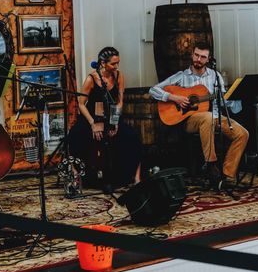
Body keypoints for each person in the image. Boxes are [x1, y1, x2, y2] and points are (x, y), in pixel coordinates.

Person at [149, 43, 247, 190]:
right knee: (206, 117)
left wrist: (235, 99)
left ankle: (226, 175)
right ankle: (211, 165)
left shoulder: (215, 76)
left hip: (215, 117)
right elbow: (153, 90)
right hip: (190, 121)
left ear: (208, 59)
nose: (198, 59)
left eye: (203, 57)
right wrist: (174, 98)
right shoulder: (181, 76)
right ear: (192, 55)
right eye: (196, 55)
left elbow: (225, 101)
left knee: (242, 134)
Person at [67, 47, 142, 187]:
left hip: (110, 116)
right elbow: (81, 104)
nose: (116, 66)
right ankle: (77, 175)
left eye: (118, 63)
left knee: (132, 137)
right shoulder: (91, 79)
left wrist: (115, 122)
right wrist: (93, 124)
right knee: (75, 136)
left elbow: (119, 102)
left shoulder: (119, 76)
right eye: (113, 64)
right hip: (91, 117)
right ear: (102, 63)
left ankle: (135, 177)